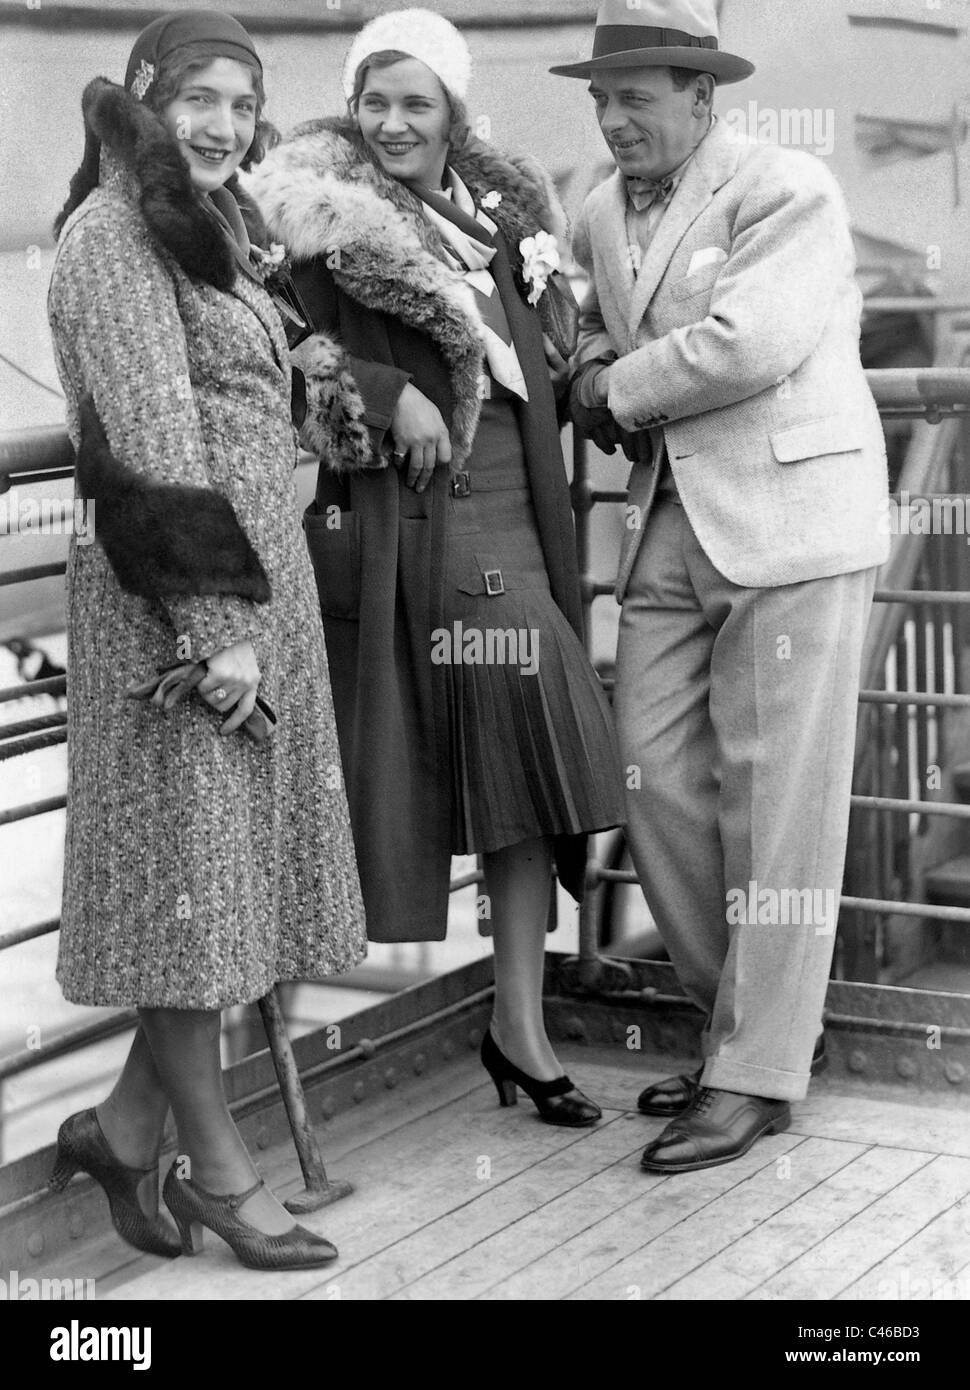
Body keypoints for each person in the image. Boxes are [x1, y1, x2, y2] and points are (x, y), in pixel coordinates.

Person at [246, 9, 625, 1126]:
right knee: (496, 732)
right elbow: (265, 348)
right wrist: (378, 391)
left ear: (455, 111)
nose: (393, 122)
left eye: (416, 102)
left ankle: (518, 1026)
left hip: (522, 514)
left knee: (526, 776)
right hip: (420, 523)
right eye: (375, 100)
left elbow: (548, 353)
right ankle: (260, 1059)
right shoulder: (312, 219)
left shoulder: (499, 215)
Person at [47, 9, 368, 1269]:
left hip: (248, 605)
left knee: (220, 892)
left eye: (243, 101)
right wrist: (218, 628)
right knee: (189, 898)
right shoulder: (113, 234)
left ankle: (126, 1134)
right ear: (144, 95)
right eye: (199, 99)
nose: (225, 124)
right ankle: (219, 1173)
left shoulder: (211, 230)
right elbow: (148, 440)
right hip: (175, 627)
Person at [554, 0, 889, 1171]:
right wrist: (588, 364)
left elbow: (748, 340)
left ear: (704, 96)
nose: (612, 117)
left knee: (780, 800)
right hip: (671, 526)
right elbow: (586, 332)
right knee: (649, 772)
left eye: (636, 95)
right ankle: (738, 1026)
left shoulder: (785, 187)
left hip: (793, 525)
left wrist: (609, 389)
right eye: (601, 97)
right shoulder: (596, 207)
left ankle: (752, 1070)